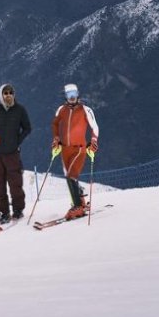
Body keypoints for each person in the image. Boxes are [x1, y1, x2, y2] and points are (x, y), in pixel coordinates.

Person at [0, 83, 32, 224]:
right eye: (5, 93)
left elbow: (27, 128)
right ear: (1, 95)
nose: (8, 95)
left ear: (13, 94)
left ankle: (18, 211)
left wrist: (17, 141)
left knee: (16, 184)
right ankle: (3, 213)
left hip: (12, 154)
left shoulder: (20, 110)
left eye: (10, 92)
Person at [51, 84, 99, 220]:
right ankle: (81, 200)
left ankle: (77, 207)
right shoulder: (61, 109)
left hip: (79, 148)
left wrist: (94, 140)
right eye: (69, 94)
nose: (72, 97)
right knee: (69, 176)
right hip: (65, 149)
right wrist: (56, 138)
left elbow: (94, 127)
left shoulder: (86, 109)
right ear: (65, 96)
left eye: (74, 93)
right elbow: (54, 124)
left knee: (71, 176)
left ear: (78, 94)